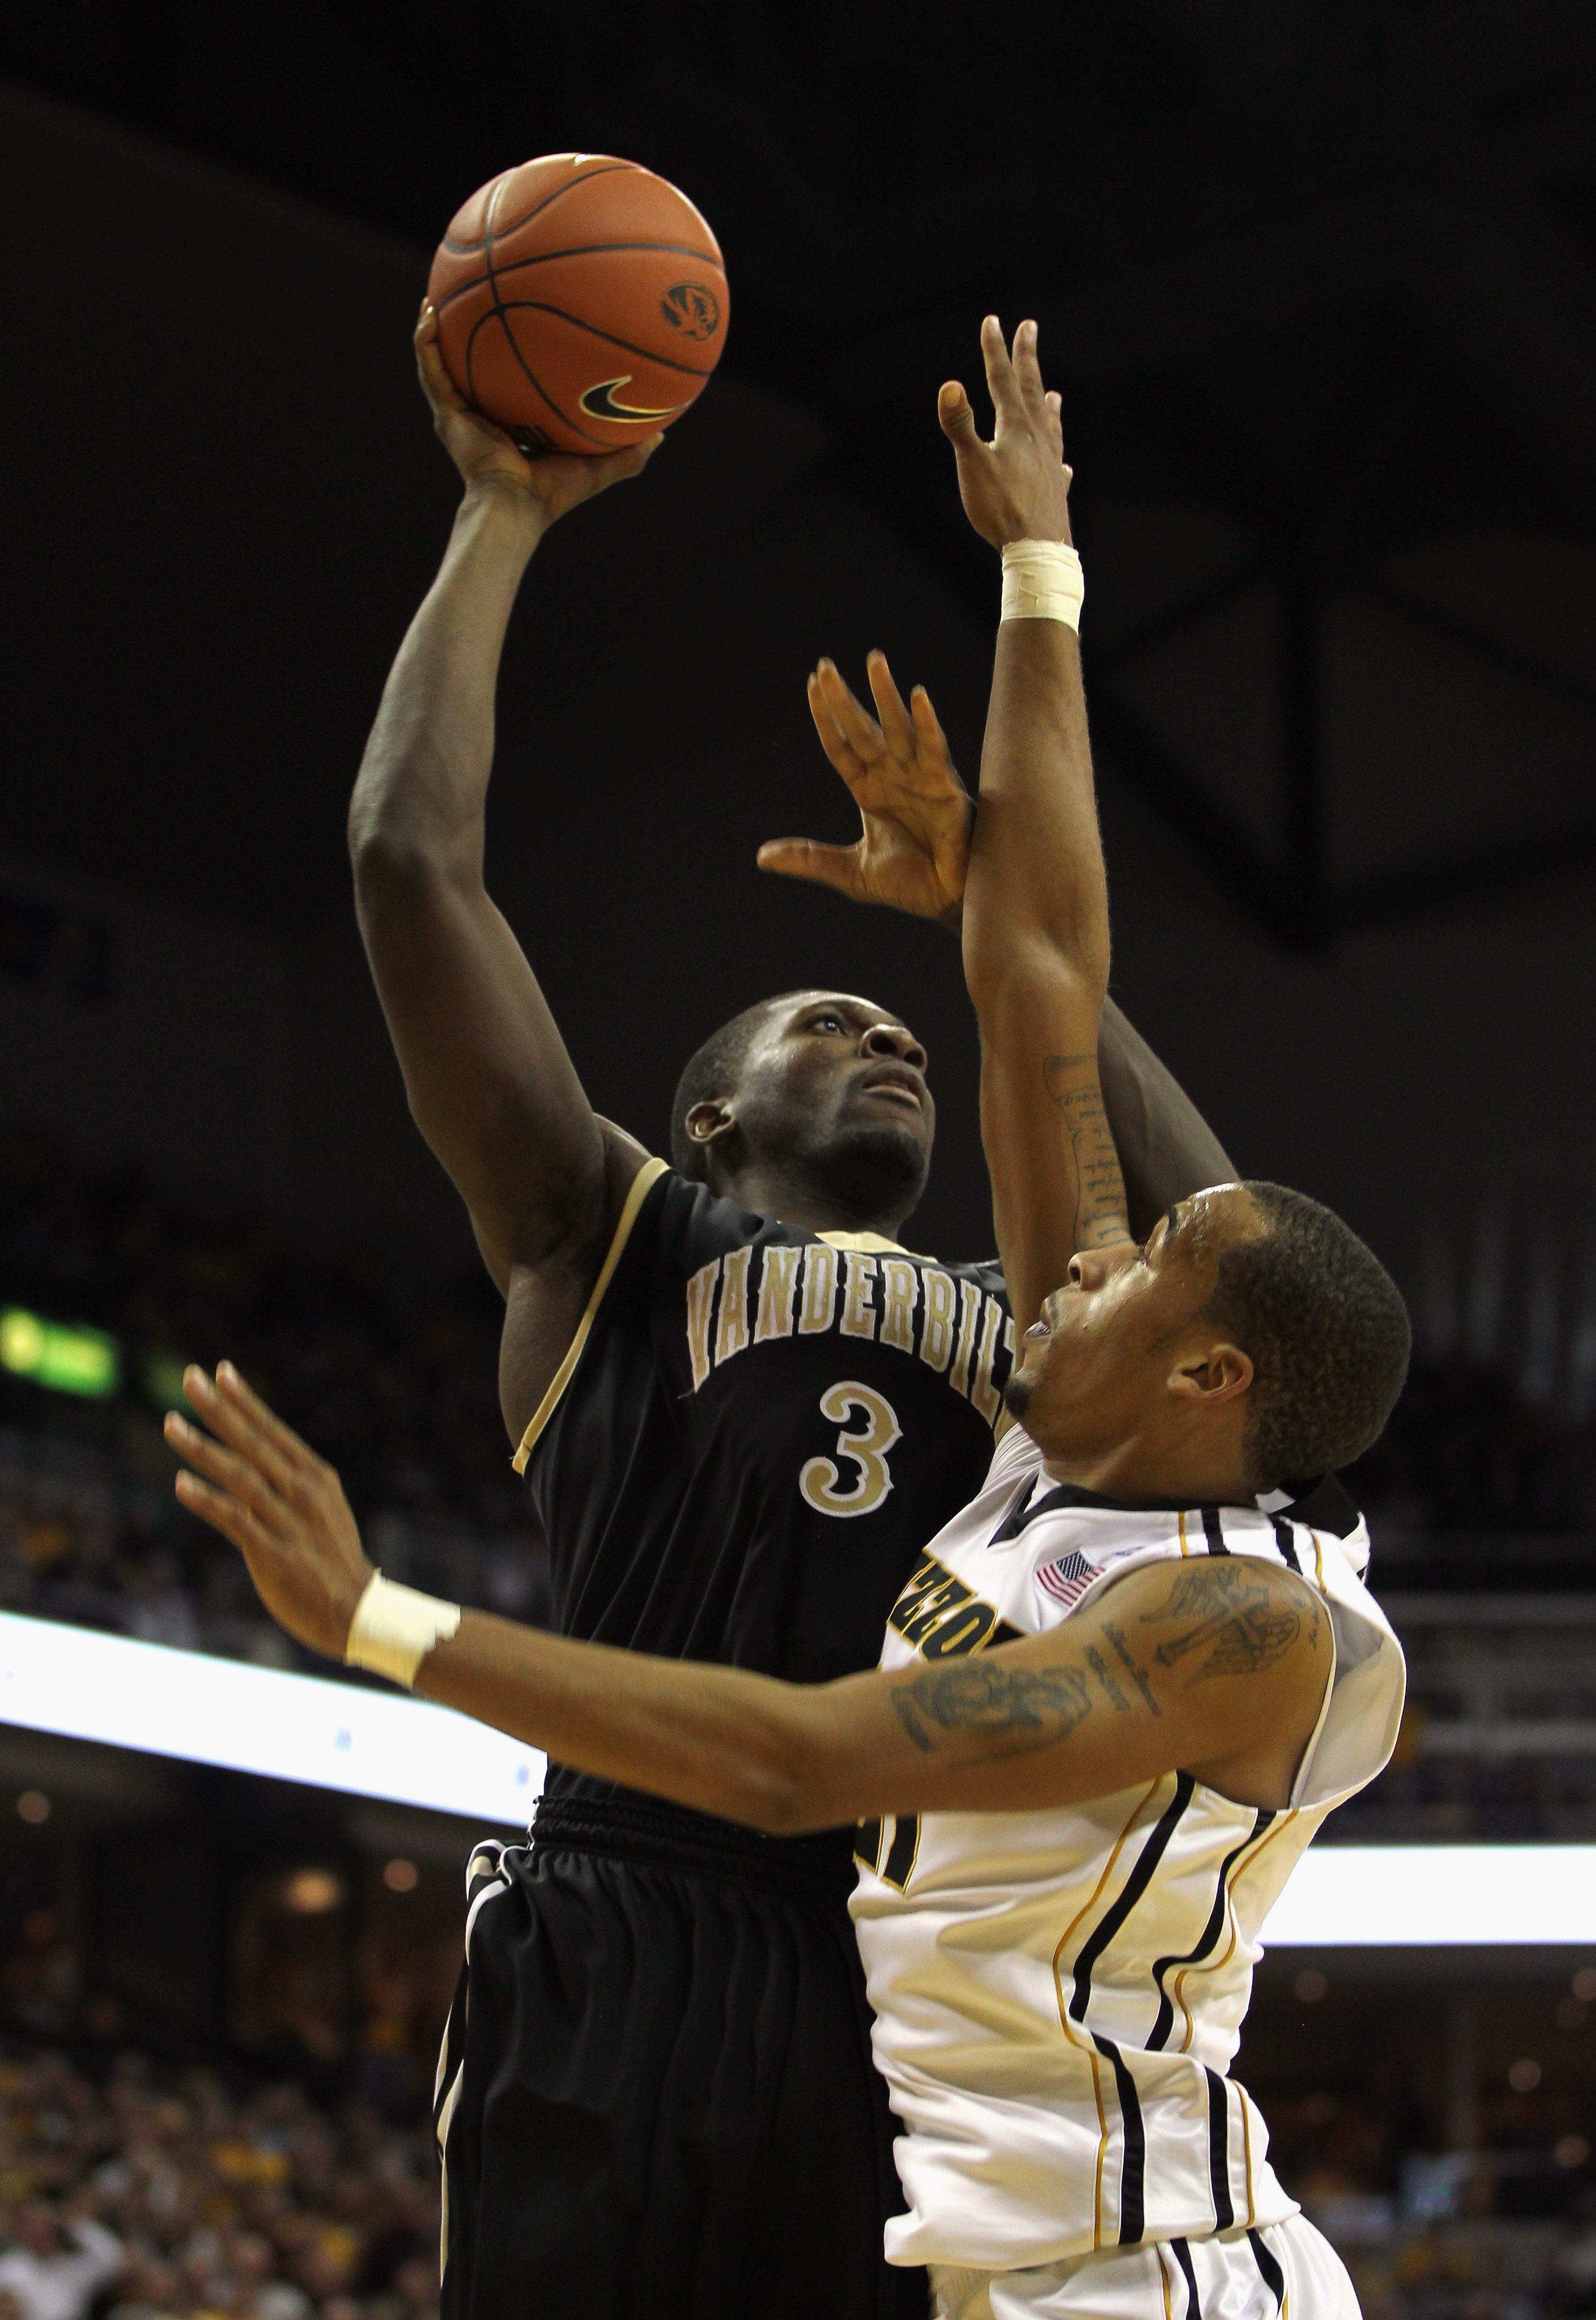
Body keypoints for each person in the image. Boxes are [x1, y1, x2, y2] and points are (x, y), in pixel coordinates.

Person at [173, 318, 1411, 2320]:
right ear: (712, 1110)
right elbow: (408, 860)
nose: (889, 1028)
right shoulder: (612, 1236)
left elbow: (1244, 1260)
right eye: (829, 1020)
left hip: (879, 1945)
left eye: (901, 1016)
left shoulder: (1060, 1332)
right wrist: (497, 515)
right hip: (627, 1919)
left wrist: (983, 873)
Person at [0, 2203, 123, 2320]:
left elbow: (116, 2262)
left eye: (45, 2226)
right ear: (19, 2231)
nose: (41, 2232)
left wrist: (76, 2223)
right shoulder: (10, 2267)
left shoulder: (71, 2268)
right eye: (31, 2226)